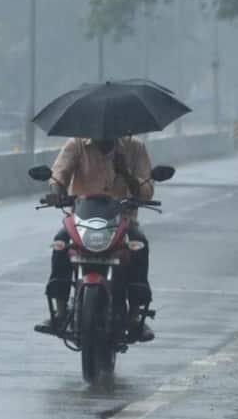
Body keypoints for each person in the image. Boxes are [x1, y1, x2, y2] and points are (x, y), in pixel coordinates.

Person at [39, 136, 156, 342]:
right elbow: (58, 176)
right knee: (60, 244)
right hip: (81, 222)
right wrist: (56, 192)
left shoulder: (135, 148)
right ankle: (59, 311)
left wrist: (125, 173)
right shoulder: (76, 145)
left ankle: (136, 315)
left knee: (140, 246)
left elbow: (146, 191)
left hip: (122, 222)